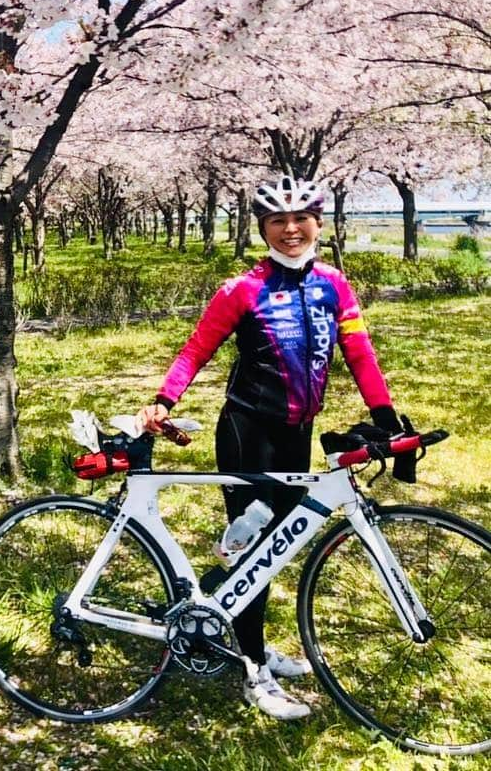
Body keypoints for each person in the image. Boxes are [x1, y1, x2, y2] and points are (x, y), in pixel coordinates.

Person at [141, 175, 404, 721]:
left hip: (297, 432)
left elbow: (358, 352)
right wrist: (164, 399)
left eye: (301, 218)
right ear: (262, 228)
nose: (290, 229)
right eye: (278, 221)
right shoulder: (241, 289)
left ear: (318, 223)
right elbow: (197, 349)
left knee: (276, 548)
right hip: (247, 432)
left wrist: (385, 416)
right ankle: (254, 670)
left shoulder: (334, 284)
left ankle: (240, 632)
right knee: (254, 550)